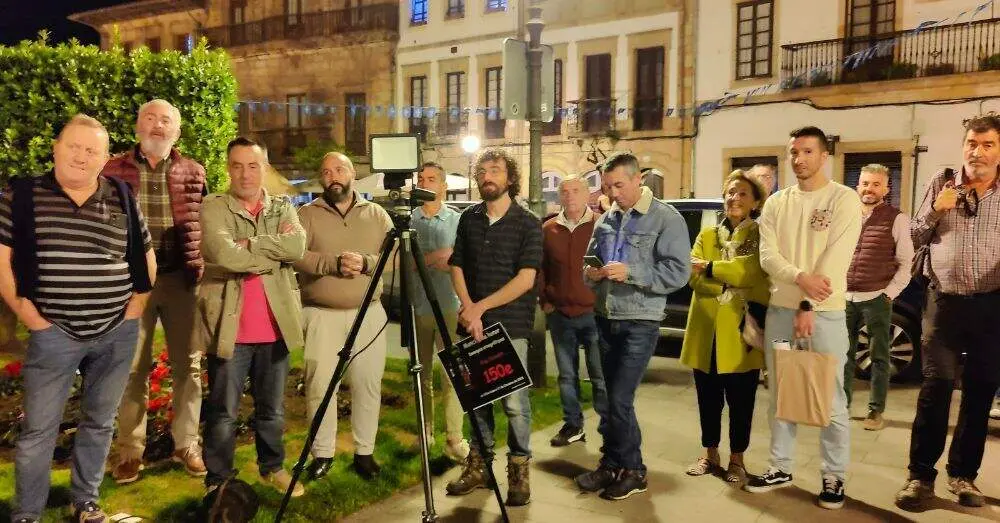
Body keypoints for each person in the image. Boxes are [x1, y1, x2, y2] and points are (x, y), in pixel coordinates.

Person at [4, 114, 156, 523]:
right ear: (56, 147)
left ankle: (85, 501)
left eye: (93, 150)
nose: (82, 156)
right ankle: (27, 513)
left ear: (105, 158)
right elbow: (1, 262)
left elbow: (145, 256)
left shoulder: (122, 195)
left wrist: (138, 304)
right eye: (75, 146)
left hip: (116, 331)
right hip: (54, 332)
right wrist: (29, 315)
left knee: (100, 421)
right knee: (39, 428)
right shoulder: (20, 195)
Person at [745, 126, 862, 511]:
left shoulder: (843, 200)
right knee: (781, 392)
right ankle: (780, 466)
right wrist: (798, 280)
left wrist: (808, 306)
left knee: (830, 398)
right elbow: (768, 258)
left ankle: (834, 475)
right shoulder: (777, 203)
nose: (799, 159)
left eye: (807, 151)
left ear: (824, 155)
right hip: (781, 314)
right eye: (794, 152)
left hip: (824, 316)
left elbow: (835, 258)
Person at [895, 113, 1000, 510]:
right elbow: (916, 234)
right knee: (936, 389)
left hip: (992, 306)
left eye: (987, 144)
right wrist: (938, 209)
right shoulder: (942, 181)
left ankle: (963, 475)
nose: (978, 151)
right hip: (944, 304)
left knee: (979, 392)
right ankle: (920, 477)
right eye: (972, 143)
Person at [103, 99, 209, 483]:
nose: (158, 126)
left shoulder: (194, 171)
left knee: (189, 367)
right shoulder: (111, 168)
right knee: (132, 369)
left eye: (167, 121)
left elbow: (201, 224)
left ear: (177, 131)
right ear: (137, 126)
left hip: (182, 281)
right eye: (151, 118)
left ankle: (187, 443)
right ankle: (130, 451)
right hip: (133, 286)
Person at [576, 152, 691, 501]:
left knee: (620, 399)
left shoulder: (665, 218)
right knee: (609, 399)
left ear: (638, 178)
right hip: (605, 317)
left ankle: (635, 470)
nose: (612, 192)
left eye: (618, 185)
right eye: (607, 186)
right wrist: (592, 275)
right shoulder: (606, 218)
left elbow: (678, 272)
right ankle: (612, 465)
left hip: (640, 320)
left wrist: (632, 273)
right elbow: (588, 268)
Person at [197, 137, 306, 497]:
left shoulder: (282, 207)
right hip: (231, 329)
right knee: (223, 412)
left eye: (253, 165)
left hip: (275, 328)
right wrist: (271, 250)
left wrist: (251, 245)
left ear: (265, 167)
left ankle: (272, 467)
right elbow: (226, 256)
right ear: (229, 168)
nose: (246, 173)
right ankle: (218, 479)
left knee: (272, 410)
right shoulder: (213, 207)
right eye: (238, 165)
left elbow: (298, 247)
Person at [445, 149, 542, 507]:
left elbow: (527, 278)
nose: (488, 176)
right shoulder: (468, 218)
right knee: (476, 400)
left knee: (514, 404)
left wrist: (480, 307)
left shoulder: (528, 222)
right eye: (483, 170)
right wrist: (469, 309)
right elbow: (456, 265)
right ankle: (479, 466)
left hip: (509, 326)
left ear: (510, 178)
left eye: (496, 170)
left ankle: (518, 470)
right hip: (471, 326)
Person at [294, 152, 393, 481]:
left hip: (369, 314)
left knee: (367, 385)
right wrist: (331, 264)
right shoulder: (304, 215)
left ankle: (364, 452)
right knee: (320, 385)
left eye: (339, 169)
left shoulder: (377, 214)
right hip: (321, 314)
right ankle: (323, 453)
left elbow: (393, 256)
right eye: (325, 172)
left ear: (352, 173)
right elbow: (295, 256)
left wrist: (365, 263)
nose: (332, 175)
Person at [680, 170, 769, 484]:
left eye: (743, 193)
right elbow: (691, 276)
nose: (735, 198)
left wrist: (712, 268)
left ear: (756, 201)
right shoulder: (707, 234)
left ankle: (737, 460)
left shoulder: (760, 234)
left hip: (741, 332)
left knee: (742, 402)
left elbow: (753, 273)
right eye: (731, 192)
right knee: (708, 399)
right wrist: (725, 284)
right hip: (706, 331)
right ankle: (710, 454)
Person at [539, 175, 608, 447]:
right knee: (567, 376)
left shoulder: (601, 225)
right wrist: (544, 298)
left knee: (600, 377)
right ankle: (573, 425)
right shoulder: (548, 229)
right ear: (559, 197)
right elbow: (540, 267)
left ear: (587, 194)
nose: (569, 196)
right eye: (564, 191)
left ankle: (608, 427)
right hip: (561, 313)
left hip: (594, 312)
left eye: (575, 190)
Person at [407, 162, 469, 462]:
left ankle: (454, 437)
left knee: (452, 374)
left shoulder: (457, 221)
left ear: (443, 186)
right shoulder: (408, 220)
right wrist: (436, 258)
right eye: (421, 179)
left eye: (431, 179)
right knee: (421, 375)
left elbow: (460, 261)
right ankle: (425, 431)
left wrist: (425, 259)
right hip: (416, 306)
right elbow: (403, 262)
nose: (425, 183)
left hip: (449, 307)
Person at [843, 164, 912, 431]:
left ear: (886, 188)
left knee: (879, 357)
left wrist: (888, 294)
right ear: (857, 185)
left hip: (876, 297)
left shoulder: (896, 219)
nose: (868, 189)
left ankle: (875, 411)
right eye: (864, 183)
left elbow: (906, 261)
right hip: (846, 297)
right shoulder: (846, 215)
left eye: (875, 184)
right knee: (844, 356)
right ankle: (842, 406)